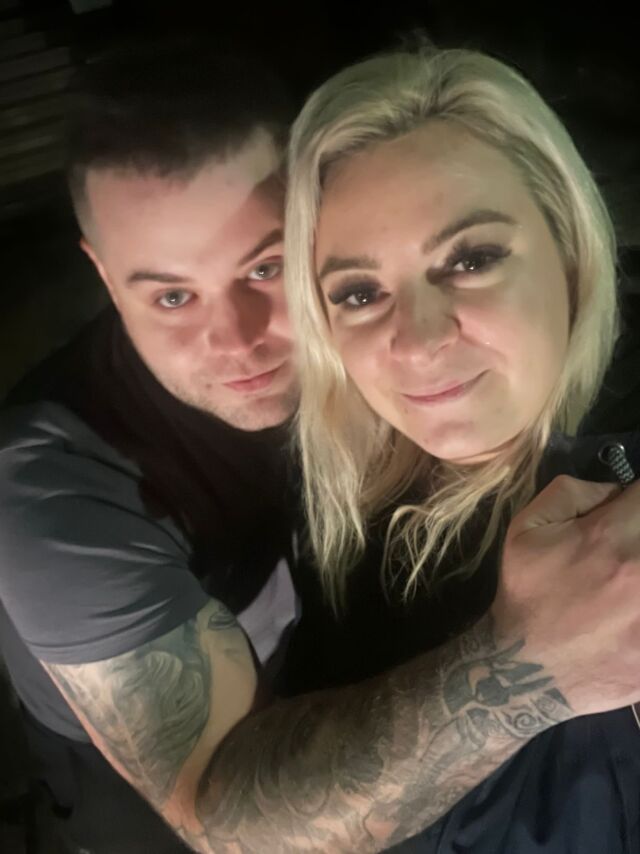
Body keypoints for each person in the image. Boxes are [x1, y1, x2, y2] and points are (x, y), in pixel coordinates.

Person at [0, 36, 637, 854]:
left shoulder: (373, 380)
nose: (238, 342)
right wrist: (536, 665)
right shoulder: (50, 485)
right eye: (171, 296)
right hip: (145, 788)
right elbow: (222, 816)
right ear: (101, 275)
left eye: (266, 270)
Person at [283, 43, 640, 851]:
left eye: (471, 259)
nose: (417, 342)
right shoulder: (335, 518)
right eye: (360, 293)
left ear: (568, 247)